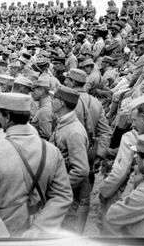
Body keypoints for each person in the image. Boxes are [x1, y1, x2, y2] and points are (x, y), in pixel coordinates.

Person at [0, 93, 73, 237]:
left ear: (7, 117)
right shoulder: (51, 151)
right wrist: (40, 228)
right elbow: (62, 196)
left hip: (1, 229)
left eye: (0, 114)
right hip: (36, 231)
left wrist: (1, 237)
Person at [50, 85, 90, 234]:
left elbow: (81, 170)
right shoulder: (64, 123)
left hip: (71, 196)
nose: (51, 100)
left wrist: (60, 188)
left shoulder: (74, 131)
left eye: (54, 98)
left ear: (61, 103)